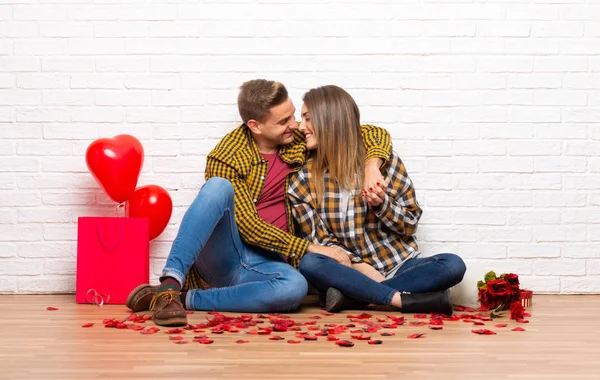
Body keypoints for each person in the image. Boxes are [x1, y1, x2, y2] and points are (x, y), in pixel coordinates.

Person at [125, 79, 393, 326]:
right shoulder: (227, 155)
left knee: (294, 288)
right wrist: (310, 247)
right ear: (255, 126)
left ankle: (182, 299)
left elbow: (367, 132)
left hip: (269, 264)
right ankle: (170, 284)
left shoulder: (295, 139)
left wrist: (372, 165)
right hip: (229, 254)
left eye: (293, 115)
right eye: (284, 121)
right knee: (218, 187)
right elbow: (249, 226)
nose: (296, 125)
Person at [289, 85, 466, 315]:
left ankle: (355, 299)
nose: (301, 127)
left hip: (400, 266)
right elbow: (321, 242)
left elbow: (410, 224)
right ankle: (400, 300)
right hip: (349, 271)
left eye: (307, 118)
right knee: (310, 264)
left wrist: (382, 205)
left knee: (453, 265)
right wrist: (361, 267)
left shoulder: (382, 162)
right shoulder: (302, 179)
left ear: (330, 120)